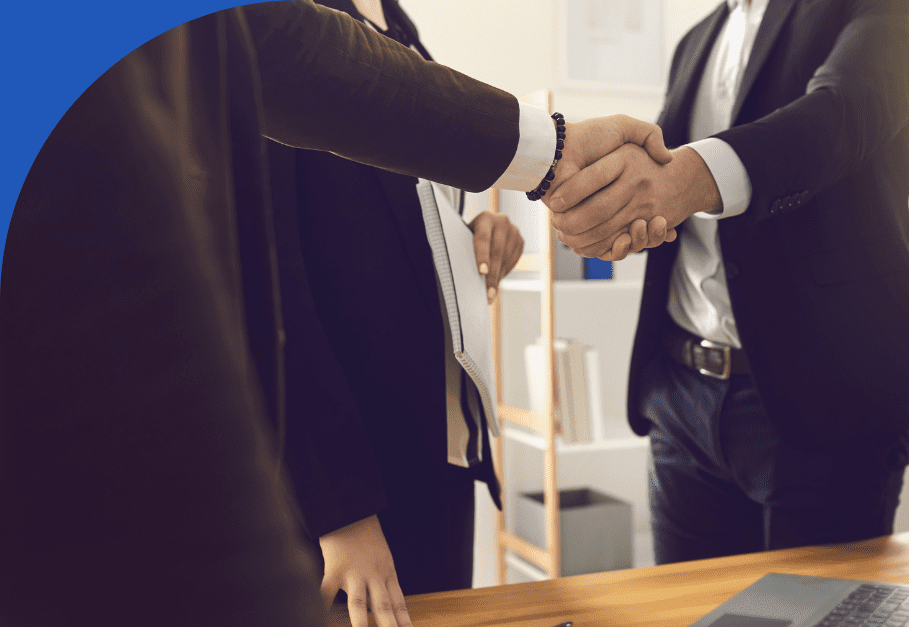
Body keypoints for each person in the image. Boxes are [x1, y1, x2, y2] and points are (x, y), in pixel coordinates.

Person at [0, 2, 671, 625]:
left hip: (430, 437)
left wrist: (484, 219)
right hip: (338, 460)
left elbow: (389, 177)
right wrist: (339, 507)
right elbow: (278, 278)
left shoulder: (395, 24)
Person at [272, 1, 675, 624]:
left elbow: (392, 216)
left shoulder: (400, 25)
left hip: (439, 448)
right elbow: (272, 290)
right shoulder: (285, 29)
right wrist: (339, 511)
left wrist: (476, 231)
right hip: (349, 477)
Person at [545, 0, 909, 564]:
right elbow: (663, 184)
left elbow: (836, 118)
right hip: (680, 397)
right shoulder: (697, 39)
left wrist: (685, 181)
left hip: (822, 402)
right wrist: (611, 203)